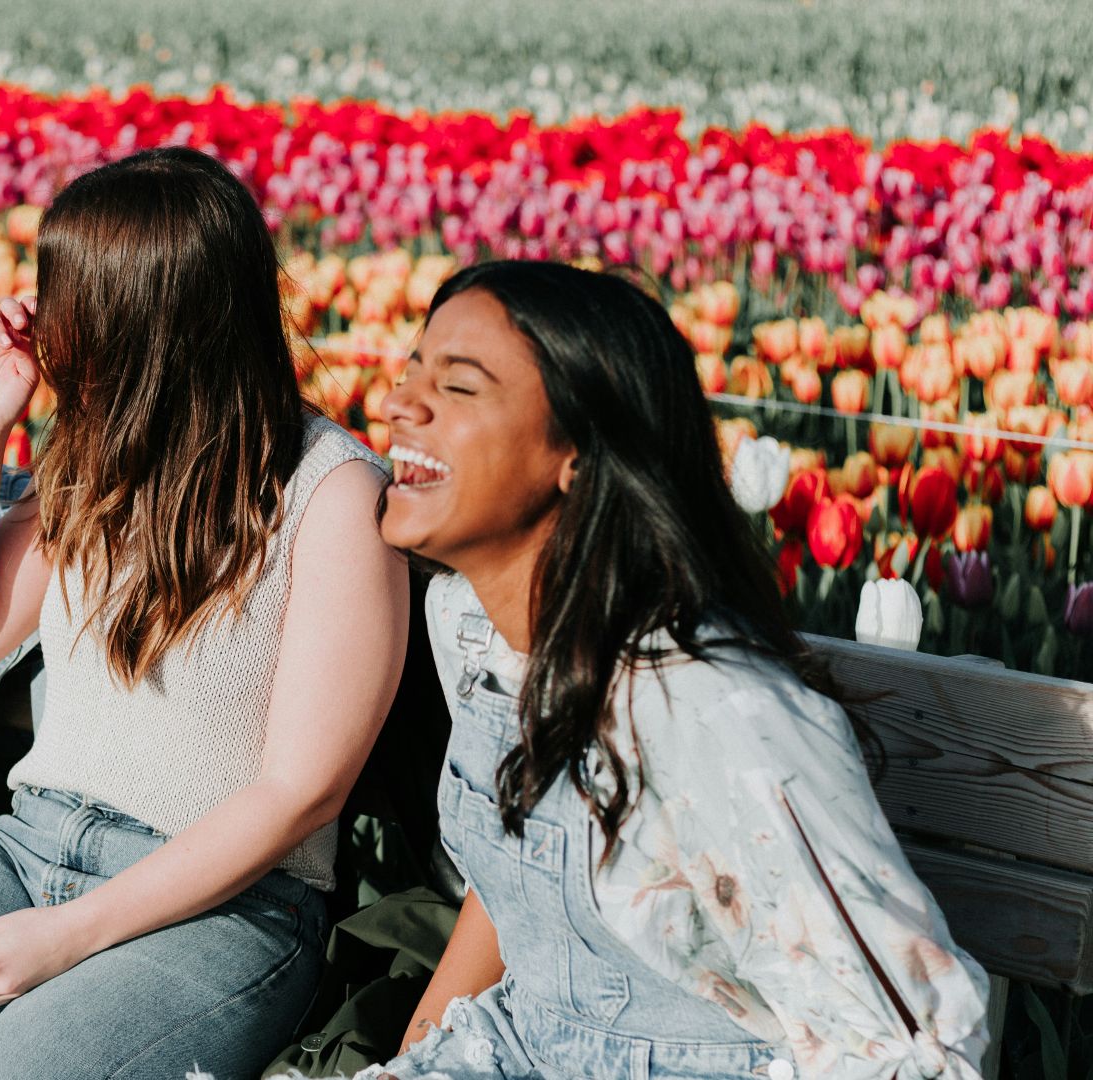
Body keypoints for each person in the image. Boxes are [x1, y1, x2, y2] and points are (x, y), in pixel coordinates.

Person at [0, 146, 410, 1080]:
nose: (44, 320)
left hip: (226, 904)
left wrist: (71, 935)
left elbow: (299, 791)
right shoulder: (103, 462)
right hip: (25, 850)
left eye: (61, 294)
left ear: (140, 319)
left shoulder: (333, 491)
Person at [347, 261, 990, 1079]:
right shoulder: (470, 626)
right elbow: (519, 911)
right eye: (410, 369)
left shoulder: (710, 711)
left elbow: (912, 1051)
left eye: (460, 387)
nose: (399, 402)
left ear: (577, 456)